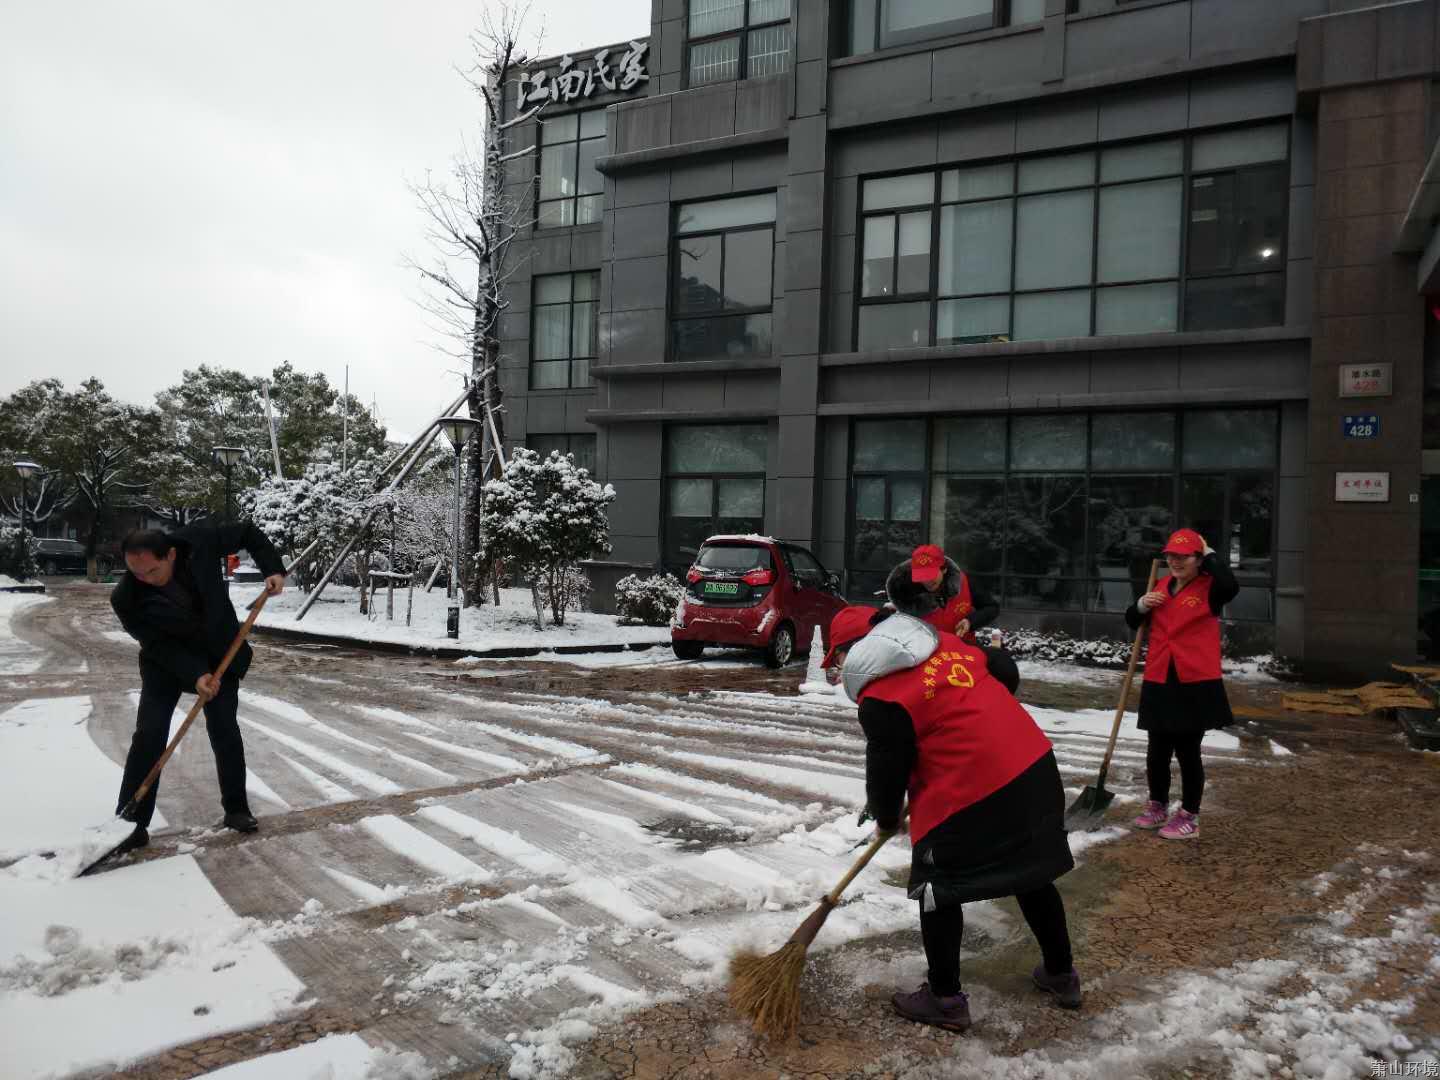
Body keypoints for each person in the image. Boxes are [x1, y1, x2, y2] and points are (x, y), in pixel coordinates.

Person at [825, 604, 1080, 1032]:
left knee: (937, 889)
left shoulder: (881, 695)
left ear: (850, 651)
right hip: (1033, 766)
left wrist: (886, 818)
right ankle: (1061, 973)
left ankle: (944, 999)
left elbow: (887, 768)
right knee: (1032, 871)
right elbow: (1004, 670)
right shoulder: (942, 644)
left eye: (838, 659)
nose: (839, 668)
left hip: (971, 788)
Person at [110, 523, 286, 850]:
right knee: (149, 733)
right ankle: (131, 824)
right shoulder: (125, 597)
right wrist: (195, 674)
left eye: (152, 570)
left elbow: (247, 532)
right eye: (136, 573)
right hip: (165, 664)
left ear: (171, 555)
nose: (145, 579)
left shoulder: (200, 542)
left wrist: (272, 569)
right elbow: (156, 644)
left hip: (219, 654)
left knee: (224, 728)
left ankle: (236, 809)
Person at [1125, 528, 1239, 841]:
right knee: (1156, 750)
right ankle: (1157, 805)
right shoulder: (1160, 585)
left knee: (1187, 751)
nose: (1175, 562)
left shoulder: (1211, 587)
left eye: (1183, 556)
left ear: (1199, 559)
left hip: (1194, 680)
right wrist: (1141, 605)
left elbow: (1231, 585)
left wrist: (1209, 552)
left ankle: (1189, 815)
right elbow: (1133, 620)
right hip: (1160, 675)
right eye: (1171, 556)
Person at [885, 544, 1020, 695]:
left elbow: (991, 607)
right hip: (927, 659)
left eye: (931, 575)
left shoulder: (964, 583)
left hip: (961, 654)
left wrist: (970, 621)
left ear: (944, 569)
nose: (927, 581)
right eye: (922, 576)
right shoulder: (906, 594)